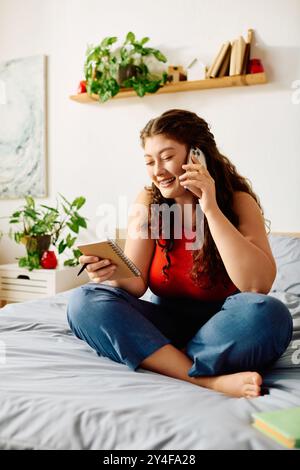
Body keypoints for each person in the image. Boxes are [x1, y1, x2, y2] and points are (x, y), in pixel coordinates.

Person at [67, 109, 293, 398]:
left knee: (270, 314)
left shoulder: (238, 202)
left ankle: (164, 361)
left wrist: (209, 206)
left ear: (196, 154)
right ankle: (205, 379)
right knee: (85, 300)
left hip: (224, 329)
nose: (157, 170)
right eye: (149, 161)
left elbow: (256, 285)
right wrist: (110, 274)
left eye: (167, 157)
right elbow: (135, 285)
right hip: (165, 324)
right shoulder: (149, 201)